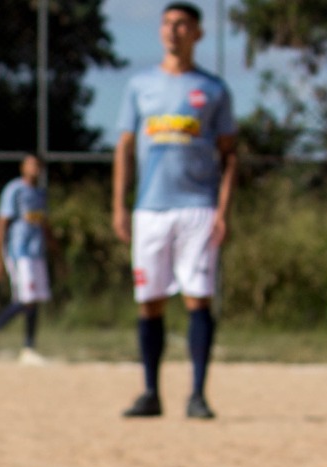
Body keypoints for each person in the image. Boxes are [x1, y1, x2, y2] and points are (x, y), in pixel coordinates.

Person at [112, 1, 238, 420]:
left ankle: (197, 394)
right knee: (149, 301)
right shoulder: (140, 86)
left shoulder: (213, 90)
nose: (173, 31)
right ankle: (150, 392)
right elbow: (125, 148)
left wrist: (222, 209)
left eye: (182, 24)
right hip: (150, 208)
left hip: (197, 208)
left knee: (198, 298)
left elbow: (230, 155)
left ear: (197, 33)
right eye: (167, 23)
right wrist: (119, 204)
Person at [0, 154, 56, 365]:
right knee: (27, 298)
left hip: (37, 251)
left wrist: (56, 253)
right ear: (23, 167)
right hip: (19, 251)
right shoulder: (14, 190)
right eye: (31, 164)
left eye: (38, 166)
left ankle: (28, 348)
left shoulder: (40, 194)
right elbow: (2, 223)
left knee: (34, 299)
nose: (35, 169)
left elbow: (45, 225)